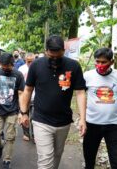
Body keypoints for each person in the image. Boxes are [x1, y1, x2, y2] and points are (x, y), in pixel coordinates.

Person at [19, 35, 87, 169]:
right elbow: (27, 90)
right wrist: (23, 112)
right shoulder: (36, 65)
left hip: (63, 122)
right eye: (51, 56)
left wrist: (83, 119)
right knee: (45, 160)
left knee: (57, 155)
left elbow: (80, 93)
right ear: (46, 51)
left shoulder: (73, 66)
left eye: (58, 56)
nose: (55, 60)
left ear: (63, 50)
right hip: (41, 120)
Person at [83, 48, 117, 169]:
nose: (100, 65)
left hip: (113, 125)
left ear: (111, 62)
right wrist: (82, 119)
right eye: (97, 62)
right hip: (92, 124)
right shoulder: (87, 76)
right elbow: (81, 96)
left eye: (103, 62)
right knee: (89, 161)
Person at [18, 52, 35, 141]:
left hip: (35, 97)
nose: (30, 63)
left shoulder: (37, 68)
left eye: (32, 61)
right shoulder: (21, 69)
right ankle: (26, 133)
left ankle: (35, 135)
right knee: (25, 114)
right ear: (25, 61)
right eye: (28, 61)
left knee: (34, 117)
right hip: (24, 97)